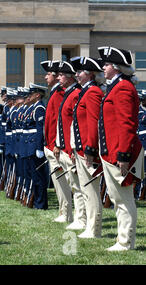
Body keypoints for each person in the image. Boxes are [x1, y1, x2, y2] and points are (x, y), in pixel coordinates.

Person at [97, 46, 143, 251]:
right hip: (112, 152)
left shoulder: (123, 88)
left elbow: (127, 124)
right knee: (117, 198)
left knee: (123, 199)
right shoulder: (117, 87)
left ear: (115, 67)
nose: (103, 67)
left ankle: (126, 242)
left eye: (106, 64)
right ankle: (122, 239)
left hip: (120, 153)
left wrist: (123, 155)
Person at [70, 56, 105, 238]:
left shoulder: (92, 93)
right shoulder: (86, 92)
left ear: (90, 74)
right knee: (85, 189)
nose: (76, 75)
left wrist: (90, 149)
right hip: (81, 148)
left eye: (80, 71)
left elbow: (93, 123)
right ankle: (90, 226)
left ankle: (94, 229)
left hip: (87, 149)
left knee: (91, 190)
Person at [54, 60, 86, 231]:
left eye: (60, 75)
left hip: (71, 147)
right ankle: (79, 216)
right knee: (73, 184)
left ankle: (82, 218)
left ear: (68, 77)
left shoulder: (75, 94)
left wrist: (73, 147)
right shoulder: (69, 93)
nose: (58, 78)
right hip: (66, 146)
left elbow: (76, 124)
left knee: (78, 185)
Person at [43, 60, 73, 222]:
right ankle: (63, 212)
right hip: (50, 143)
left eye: (48, 74)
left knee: (62, 181)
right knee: (58, 181)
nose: (45, 77)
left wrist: (56, 143)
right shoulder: (55, 93)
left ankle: (66, 213)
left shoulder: (60, 93)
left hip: (55, 144)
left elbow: (60, 122)